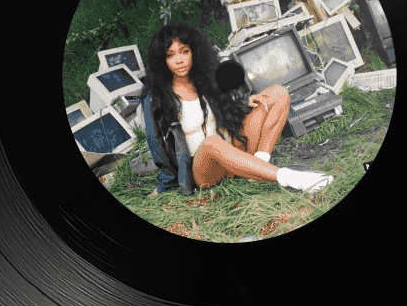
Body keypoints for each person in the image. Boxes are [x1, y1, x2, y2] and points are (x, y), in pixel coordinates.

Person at [142, 22, 333, 196]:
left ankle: (258, 166)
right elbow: (157, 146)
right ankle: (293, 178)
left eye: (184, 51)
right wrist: (163, 186)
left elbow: (227, 108)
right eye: (170, 55)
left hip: (234, 149)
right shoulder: (156, 96)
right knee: (212, 143)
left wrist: (246, 102)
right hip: (205, 169)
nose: (179, 60)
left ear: (194, 51)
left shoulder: (205, 78)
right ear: (162, 60)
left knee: (278, 93)